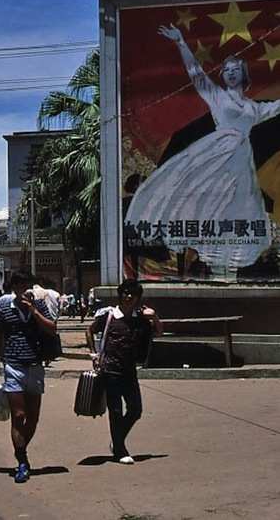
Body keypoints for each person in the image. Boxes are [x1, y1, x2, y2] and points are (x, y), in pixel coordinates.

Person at [125, 24, 280, 276]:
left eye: (235, 70)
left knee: (237, 208)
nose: (230, 73)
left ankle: (227, 268)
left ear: (243, 74)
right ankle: (196, 258)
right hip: (215, 155)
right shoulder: (218, 97)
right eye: (227, 70)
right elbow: (197, 75)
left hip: (241, 162)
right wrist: (181, 43)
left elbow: (276, 107)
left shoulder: (254, 108)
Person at [85, 279, 163, 465]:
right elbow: (90, 330)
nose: (128, 297)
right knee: (116, 410)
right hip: (110, 369)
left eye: (132, 294)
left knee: (135, 409)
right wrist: (94, 354)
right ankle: (120, 449)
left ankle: (117, 440)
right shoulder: (109, 316)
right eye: (125, 293)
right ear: (120, 295)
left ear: (137, 298)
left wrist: (154, 317)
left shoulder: (140, 319)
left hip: (129, 370)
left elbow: (158, 332)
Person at [0, 270, 57, 484]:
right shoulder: (3, 309)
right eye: (17, 285)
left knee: (33, 417)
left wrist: (33, 311)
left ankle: (21, 450)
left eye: (25, 285)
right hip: (13, 365)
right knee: (18, 415)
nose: (21, 290)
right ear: (12, 287)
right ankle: (22, 460)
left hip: (35, 365)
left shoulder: (39, 305)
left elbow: (52, 328)